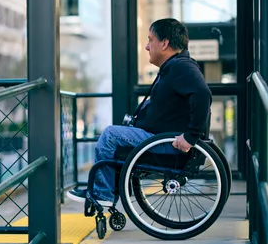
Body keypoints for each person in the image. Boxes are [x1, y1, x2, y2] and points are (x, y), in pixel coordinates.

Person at [67, 18, 212, 206]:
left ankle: (102, 194)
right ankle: (106, 190)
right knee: (117, 135)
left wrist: (190, 137)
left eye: (150, 40)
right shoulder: (176, 67)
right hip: (163, 138)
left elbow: (203, 94)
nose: (146, 46)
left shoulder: (180, 66)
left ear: (165, 43)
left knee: (110, 135)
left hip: (168, 143)